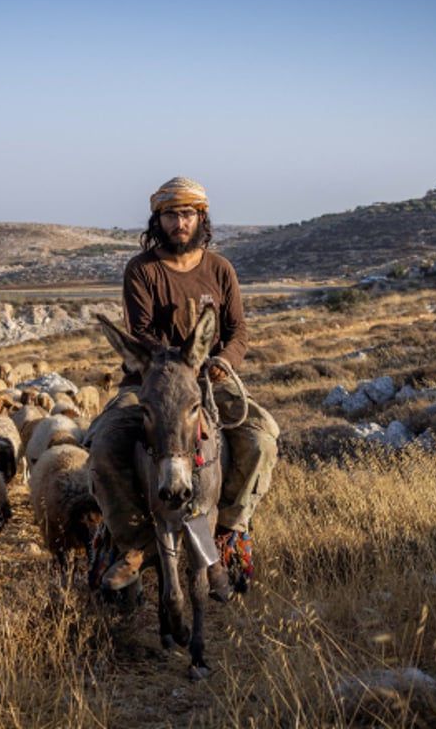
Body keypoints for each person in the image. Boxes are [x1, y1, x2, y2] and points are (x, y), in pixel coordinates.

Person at [85, 176, 281, 599]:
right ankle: (134, 545)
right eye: (171, 214)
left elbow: (238, 330)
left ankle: (227, 529)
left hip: (210, 376)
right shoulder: (141, 270)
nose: (180, 222)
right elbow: (139, 331)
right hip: (150, 381)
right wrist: (177, 366)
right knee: (104, 446)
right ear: (158, 219)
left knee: (261, 439)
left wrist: (223, 363)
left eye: (188, 214)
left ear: (201, 218)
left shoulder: (220, 269)